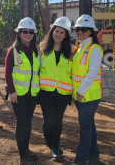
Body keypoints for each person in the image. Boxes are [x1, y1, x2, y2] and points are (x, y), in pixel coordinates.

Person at [5, 17, 41, 165]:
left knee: (28, 123)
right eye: (25, 31)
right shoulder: (13, 51)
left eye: (31, 32)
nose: (28, 34)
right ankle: (22, 156)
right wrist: (12, 92)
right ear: (19, 33)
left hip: (31, 95)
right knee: (21, 123)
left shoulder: (35, 51)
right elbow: (7, 73)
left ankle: (26, 150)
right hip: (18, 94)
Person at [39, 16, 74, 162]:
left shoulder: (72, 50)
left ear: (66, 35)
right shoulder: (42, 47)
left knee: (57, 120)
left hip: (63, 92)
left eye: (62, 32)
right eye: (56, 31)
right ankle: (49, 141)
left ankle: (55, 148)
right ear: (52, 31)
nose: (58, 34)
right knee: (48, 121)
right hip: (45, 91)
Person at [71, 15, 103, 165]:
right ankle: (93, 155)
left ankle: (80, 159)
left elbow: (92, 72)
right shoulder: (80, 48)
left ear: (91, 31)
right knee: (89, 125)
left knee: (85, 127)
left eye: (84, 29)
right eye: (78, 29)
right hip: (82, 95)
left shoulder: (94, 49)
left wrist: (81, 91)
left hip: (88, 96)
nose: (80, 32)